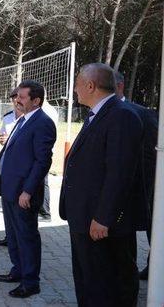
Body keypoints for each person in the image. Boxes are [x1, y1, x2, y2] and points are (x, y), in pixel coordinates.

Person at [59, 63, 142, 306]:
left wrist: (104, 217)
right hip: (84, 218)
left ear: (90, 85)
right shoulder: (97, 115)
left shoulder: (121, 116)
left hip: (102, 224)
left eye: (76, 84)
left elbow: (120, 173)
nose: (74, 90)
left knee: (107, 286)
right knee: (89, 282)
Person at [0, 80, 56, 298]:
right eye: (17, 96)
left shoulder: (43, 123)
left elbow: (42, 162)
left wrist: (27, 191)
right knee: (13, 235)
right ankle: (17, 270)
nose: (16, 100)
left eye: (22, 97)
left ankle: (30, 282)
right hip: (10, 190)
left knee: (26, 237)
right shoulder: (22, 120)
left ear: (36, 101)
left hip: (23, 194)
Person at [114, 70, 158, 281]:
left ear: (119, 86)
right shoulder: (97, 114)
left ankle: (154, 268)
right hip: (110, 195)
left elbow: (150, 156)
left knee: (153, 230)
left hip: (141, 189)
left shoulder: (142, 113)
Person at [0, 88, 22, 247]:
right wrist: (1, 139)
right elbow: (1, 136)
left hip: (20, 171)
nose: (17, 102)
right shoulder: (8, 118)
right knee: (7, 205)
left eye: (19, 98)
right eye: (14, 99)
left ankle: (19, 238)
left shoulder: (30, 119)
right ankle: (9, 236)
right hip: (6, 168)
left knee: (20, 208)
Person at [39, 101, 59, 220]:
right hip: (44, 150)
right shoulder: (48, 110)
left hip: (44, 151)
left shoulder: (47, 111)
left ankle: (45, 212)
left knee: (43, 181)